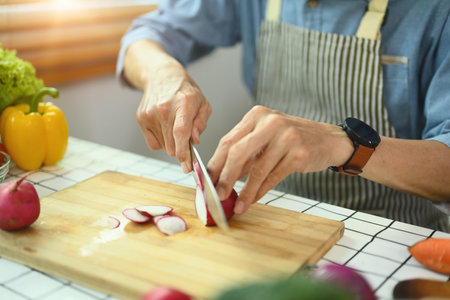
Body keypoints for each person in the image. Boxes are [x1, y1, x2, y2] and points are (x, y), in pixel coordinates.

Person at [117, 0, 450, 231]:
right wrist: (161, 72)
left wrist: (346, 146)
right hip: (275, 221)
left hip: (396, 233)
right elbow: (147, 34)